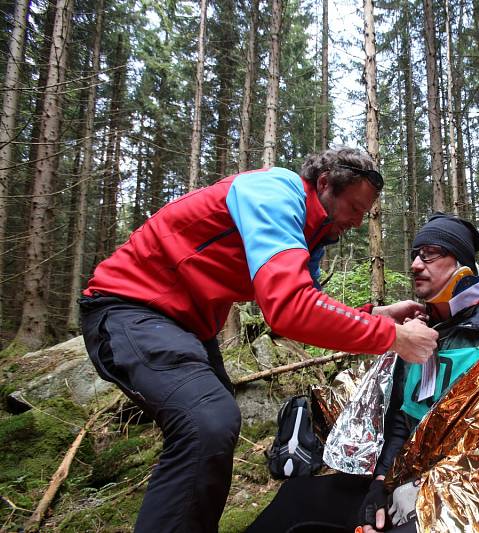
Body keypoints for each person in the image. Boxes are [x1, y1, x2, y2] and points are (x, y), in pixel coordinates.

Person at [79, 146, 439, 533]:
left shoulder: (309, 234)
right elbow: (291, 308)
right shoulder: (275, 192)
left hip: (186, 328)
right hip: (129, 307)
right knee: (207, 422)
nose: (356, 222)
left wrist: (377, 316)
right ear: (324, 185)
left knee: (213, 433)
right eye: (353, 209)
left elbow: (297, 315)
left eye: (363, 214)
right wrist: (394, 336)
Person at [246, 213, 479, 533]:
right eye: (414, 255)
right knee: (295, 498)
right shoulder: (418, 331)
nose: (415, 265)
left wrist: (429, 487)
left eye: (429, 254)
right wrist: (380, 485)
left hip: (468, 496)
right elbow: (399, 419)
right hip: (402, 482)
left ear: (461, 264)